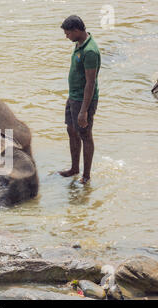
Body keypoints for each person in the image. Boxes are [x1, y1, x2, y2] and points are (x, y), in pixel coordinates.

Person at [59, 15, 101, 184]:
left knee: (85, 135)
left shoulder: (90, 51)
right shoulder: (79, 44)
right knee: (71, 130)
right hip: (73, 97)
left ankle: (86, 176)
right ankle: (74, 168)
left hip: (84, 100)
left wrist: (84, 110)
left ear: (77, 31)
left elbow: (91, 83)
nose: (66, 36)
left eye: (68, 33)